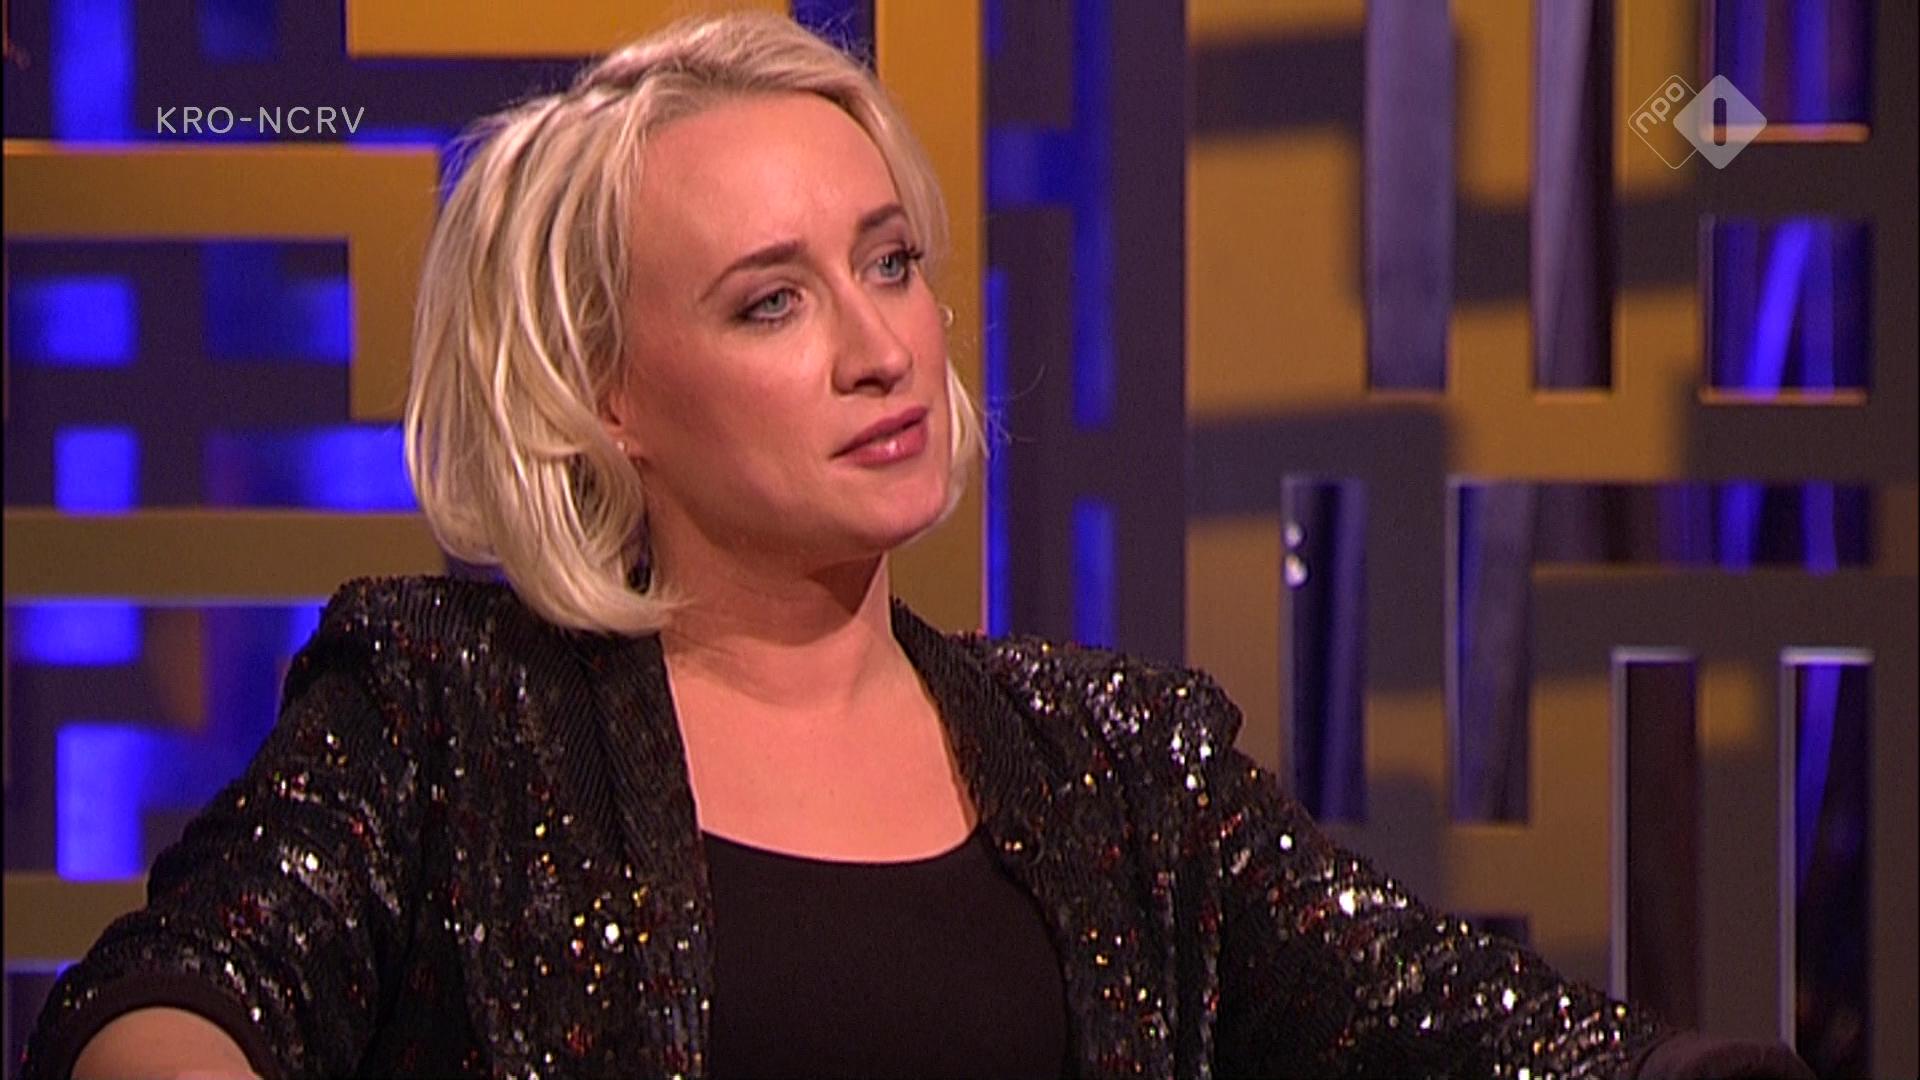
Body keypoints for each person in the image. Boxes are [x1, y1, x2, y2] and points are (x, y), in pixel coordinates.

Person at [24, 11, 1814, 1080]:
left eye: (889, 263)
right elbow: (184, 994)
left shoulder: (1120, 764)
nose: (882, 344)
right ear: (604, 394)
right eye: (770, 301)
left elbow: (1474, 1030)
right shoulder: (448, 708)